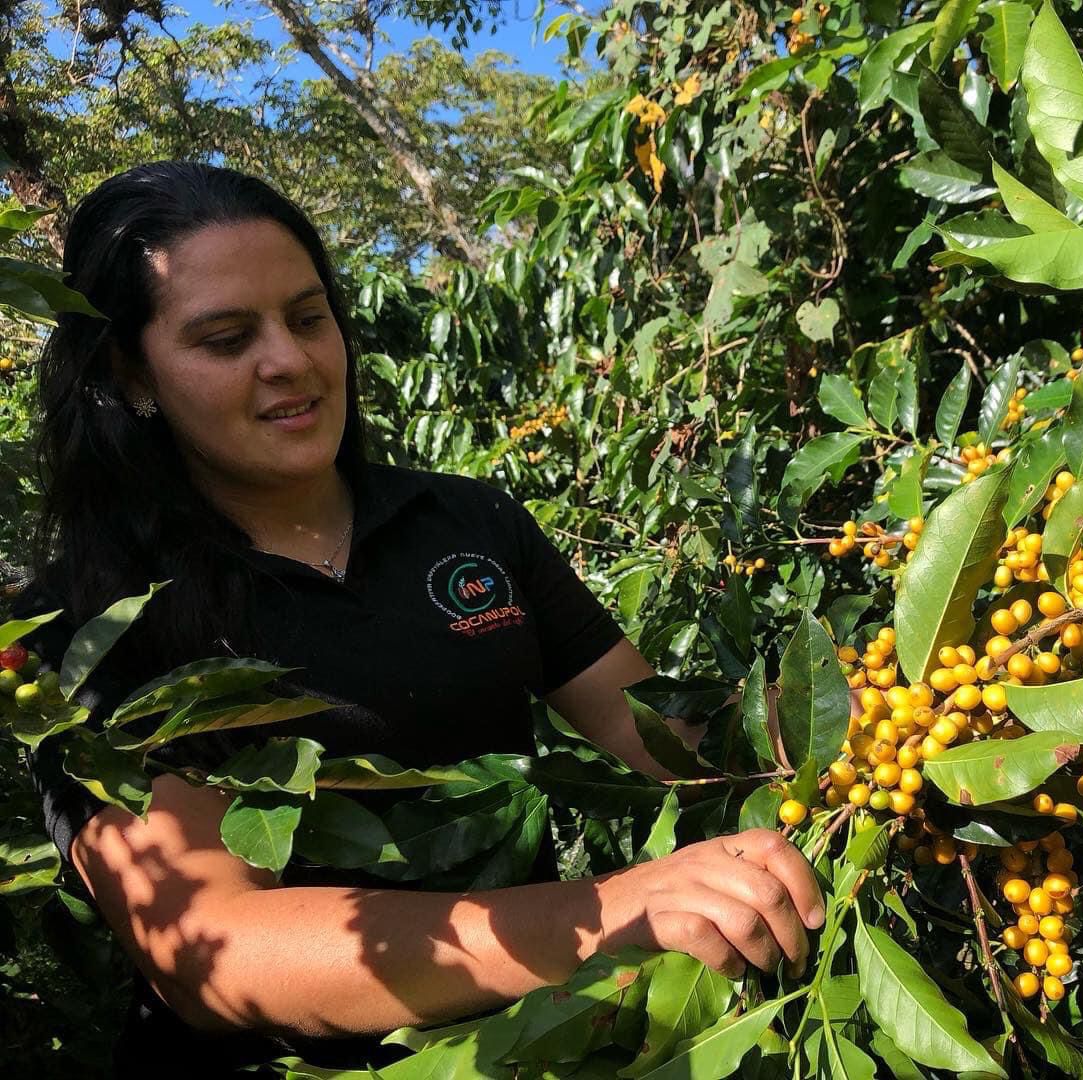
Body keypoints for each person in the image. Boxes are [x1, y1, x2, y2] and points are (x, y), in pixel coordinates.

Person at [12, 161, 823, 1077]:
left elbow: (660, 729)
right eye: (226, 338)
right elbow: (210, 948)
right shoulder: (83, 627)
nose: (290, 360)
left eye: (309, 317)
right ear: (131, 374)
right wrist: (598, 913)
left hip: (521, 1047)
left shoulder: (467, 522)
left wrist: (855, 733)